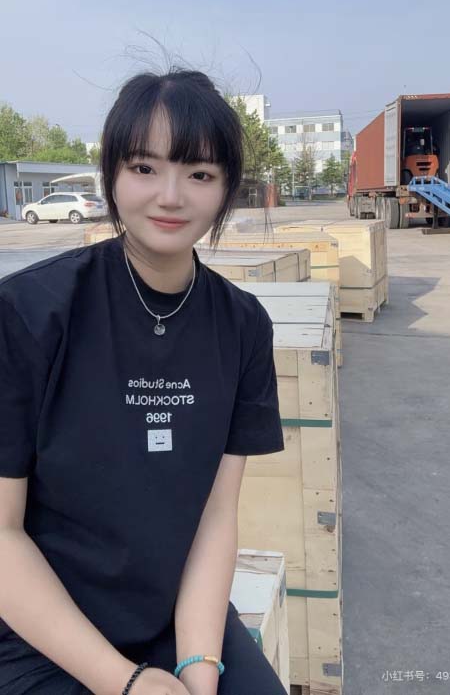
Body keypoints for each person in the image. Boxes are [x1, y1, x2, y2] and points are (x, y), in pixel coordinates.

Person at [0, 69, 286, 695]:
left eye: (200, 174)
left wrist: (198, 666)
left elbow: (216, 516)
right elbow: (2, 534)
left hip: (172, 616)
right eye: (144, 168)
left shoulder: (242, 325)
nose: (170, 197)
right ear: (112, 175)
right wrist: (126, 683)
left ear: (227, 189)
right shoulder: (28, 313)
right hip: (36, 633)